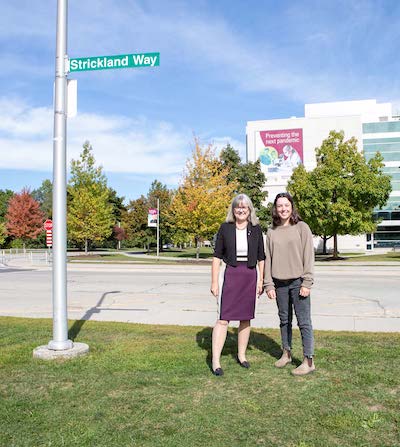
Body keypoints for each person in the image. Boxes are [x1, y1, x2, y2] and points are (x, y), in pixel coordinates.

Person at [210, 194, 265, 376]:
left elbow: (261, 258)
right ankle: (216, 361)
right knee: (223, 318)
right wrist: (214, 282)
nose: (241, 210)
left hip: (249, 275)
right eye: (238, 207)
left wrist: (260, 280)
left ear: (249, 210)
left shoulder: (256, 229)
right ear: (233, 210)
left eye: (245, 207)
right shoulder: (225, 228)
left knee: (245, 318)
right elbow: (217, 257)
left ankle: (242, 356)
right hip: (231, 275)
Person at [264, 192, 316, 376]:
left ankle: (308, 360)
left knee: (304, 323)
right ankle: (286, 353)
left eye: (286, 205)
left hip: (298, 282)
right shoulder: (271, 232)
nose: (283, 209)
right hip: (279, 284)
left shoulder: (302, 228)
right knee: (284, 321)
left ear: (292, 207)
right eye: (279, 206)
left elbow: (308, 256)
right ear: (275, 209)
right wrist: (268, 284)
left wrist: (307, 282)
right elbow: (268, 259)